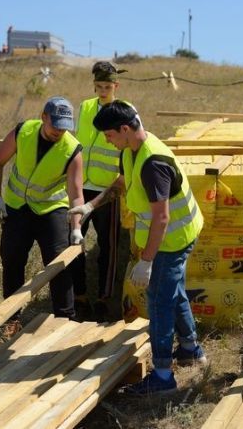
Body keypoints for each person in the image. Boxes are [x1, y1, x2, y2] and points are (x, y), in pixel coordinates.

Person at [70, 101, 207, 395]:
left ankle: (162, 376)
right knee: (174, 291)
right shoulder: (131, 150)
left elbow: (161, 217)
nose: (108, 141)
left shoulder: (153, 163)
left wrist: (146, 261)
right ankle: (191, 350)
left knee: (159, 301)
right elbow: (121, 182)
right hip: (171, 236)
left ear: (124, 129)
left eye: (109, 135)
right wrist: (91, 205)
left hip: (171, 239)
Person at [0, 96, 85, 325]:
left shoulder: (72, 150)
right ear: (44, 117)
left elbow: (76, 193)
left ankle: (66, 320)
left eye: (64, 128)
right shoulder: (23, 132)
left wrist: (76, 228)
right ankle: (11, 319)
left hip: (50, 210)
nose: (59, 132)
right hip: (17, 208)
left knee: (58, 264)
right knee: (12, 260)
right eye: (55, 126)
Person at [70, 61, 126, 322]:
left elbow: (130, 147)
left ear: (116, 86)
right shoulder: (85, 107)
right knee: (74, 241)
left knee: (108, 247)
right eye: (99, 86)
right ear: (93, 85)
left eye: (108, 86)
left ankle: (104, 299)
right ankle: (79, 297)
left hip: (109, 190)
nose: (103, 91)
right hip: (83, 187)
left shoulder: (125, 111)